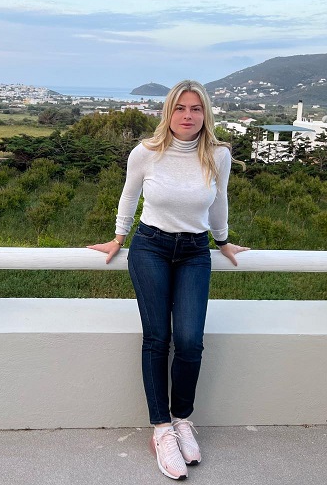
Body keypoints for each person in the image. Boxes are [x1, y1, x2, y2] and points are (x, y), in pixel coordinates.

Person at [88, 80, 249, 480]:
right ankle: (161, 429)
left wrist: (223, 241)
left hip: (195, 251)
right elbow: (129, 196)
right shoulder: (146, 152)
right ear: (168, 112)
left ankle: (182, 420)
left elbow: (220, 200)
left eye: (195, 109)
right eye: (180, 108)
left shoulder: (218, 155)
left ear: (205, 113)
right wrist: (118, 238)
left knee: (191, 340)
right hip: (151, 248)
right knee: (158, 337)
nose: (187, 116)